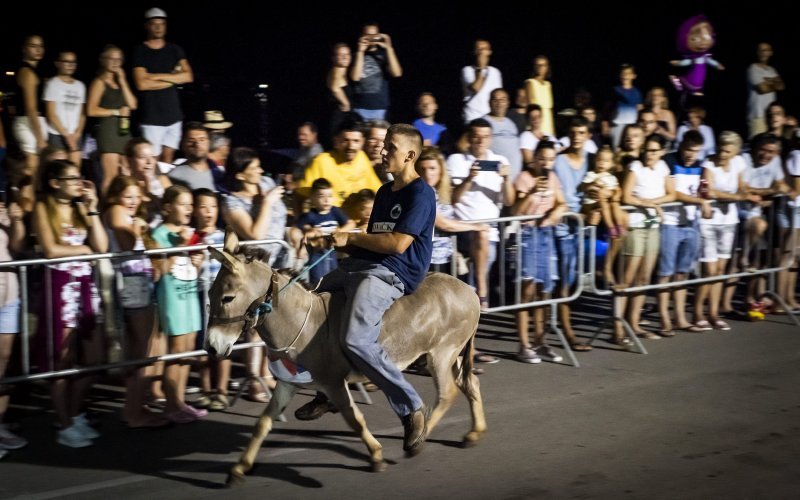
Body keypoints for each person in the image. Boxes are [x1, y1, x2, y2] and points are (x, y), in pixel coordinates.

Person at [295, 124, 432, 456]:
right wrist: (330, 242)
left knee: (356, 338)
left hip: (395, 273)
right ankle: (329, 390)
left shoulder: (421, 194)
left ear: (410, 155)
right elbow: (371, 243)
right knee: (312, 301)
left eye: (391, 147)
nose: (383, 151)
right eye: (384, 145)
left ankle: (411, 407)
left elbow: (397, 244)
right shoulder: (384, 192)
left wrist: (351, 237)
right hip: (369, 266)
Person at [33, 160, 108, 447]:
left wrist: (92, 206)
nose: (79, 182)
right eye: (72, 178)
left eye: (81, 177)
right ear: (55, 182)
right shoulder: (43, 208)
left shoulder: (80, 208)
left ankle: (74, 414)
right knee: (61, 360)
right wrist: (84, 249)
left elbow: (101, 246)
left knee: (94, 357)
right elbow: (51, 249)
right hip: (60, 286)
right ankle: (63, 422)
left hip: (85, 286)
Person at [103, 176, 168, 428]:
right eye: (127, 196)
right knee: (141, 352)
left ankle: (135, 407)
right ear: (116, 197)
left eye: (136, 196)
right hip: (131, 283)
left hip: (136, 282)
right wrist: (138, 227)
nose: (132, 202)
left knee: (140, 351)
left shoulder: (124, 213)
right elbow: (127, 242)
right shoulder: (117, 212)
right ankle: (133, 413)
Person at [147, 185, 207, 423]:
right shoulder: (158, 233)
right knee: (176, 351)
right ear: (168, 207)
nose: (189, 209)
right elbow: (159, 270)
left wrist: (197, 259)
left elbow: (193, 267)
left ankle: (179, 401)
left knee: (188, 351)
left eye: (191, 205)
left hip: (190, 293)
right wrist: (180, 247)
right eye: (184, 204)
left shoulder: (189, 232)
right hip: (172, 297)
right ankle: (171, 405)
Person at [513, 141, 566, 363]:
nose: (546, 163)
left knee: (545, 290)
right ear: (534, 158)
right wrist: (532, 192)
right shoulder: (523, 178)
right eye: (542, 158)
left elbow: (562, 203)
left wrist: (557, 212)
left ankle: (541, 341)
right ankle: (524, 344)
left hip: (547, 235)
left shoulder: (553, 178)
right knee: (527, 290)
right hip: (528, 235)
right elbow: (515, 211)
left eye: (551, 159)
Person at [132, 7, 194, 163]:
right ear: (147, 26)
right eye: (154, 23)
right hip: (151, 117)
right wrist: (173, 78)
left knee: (168, 159)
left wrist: (154, 77)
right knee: (152, 161)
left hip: (174, 115)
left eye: (162, 23)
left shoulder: (175, 50)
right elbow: (141, 84)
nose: (159, 27)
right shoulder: (140, 51)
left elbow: (188, 76)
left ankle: (165, 188)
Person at [86, 45, 138, 195]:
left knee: (127, 171)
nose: (116, 62)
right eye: (112, 58)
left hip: (124, 129)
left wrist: (123, 81)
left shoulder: (121, 82)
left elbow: (133, 104)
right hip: (108, 130)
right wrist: (115, 111)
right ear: (103, 60)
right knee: (110, 175)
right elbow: (91, 110)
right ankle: (106, 208)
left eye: (119, 59)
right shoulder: (99, 82)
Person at [0, 199, 27, 456]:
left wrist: (16, 220)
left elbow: (17, 247)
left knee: (4, 363)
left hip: (8, 294)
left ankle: (0, 424)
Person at [290, 178, 354, 284]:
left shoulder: (335, 211)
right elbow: (294, 231)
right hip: (317, 254)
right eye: (321, 196)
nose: (326, 200)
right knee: (318, 282)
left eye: (329, 196)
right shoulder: (310, 215)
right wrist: (301, 245)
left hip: (332, 252)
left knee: (334, 280)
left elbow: (351, 223)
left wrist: (340, 231)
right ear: (313, 198)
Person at [349, 23, 402, 121]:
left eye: (374, 36)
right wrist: (360, 51)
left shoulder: (384, 55)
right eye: (368, 35)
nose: (371, 39)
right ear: (362, 36)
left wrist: (389, 48)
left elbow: (397, 73)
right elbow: (355, 77)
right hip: (359, 108)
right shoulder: (355, 55)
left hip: (380, 108)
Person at [11, 35, 46, 177]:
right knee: (31, 168)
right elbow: (31, 108)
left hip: (33, 123)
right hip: (28, 123)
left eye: (41, 46)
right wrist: (40, 138)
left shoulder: (34, 71)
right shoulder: (27, 73)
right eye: (33, 46)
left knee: (35, 170)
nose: (38, 49)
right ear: (24, 49)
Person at [43, 50, 86, 166]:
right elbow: (51, 114)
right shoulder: (53, 84)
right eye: (66, 61)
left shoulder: (80, 86)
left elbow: (82, 114)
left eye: (73, 62)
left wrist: (77, 133)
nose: (71, 65)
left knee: (75, 169)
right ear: (58, 63)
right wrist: (66, 135)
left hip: (75, 134)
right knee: (59, 169)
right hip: (57, 134)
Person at [747, 43, 784, 138]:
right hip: (758, 116)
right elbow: (762, 89)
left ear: (771, 52)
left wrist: (767, 82)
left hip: (772, 117)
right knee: (757, 145)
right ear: (757, 53)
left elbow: (781, 86)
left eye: (766, 50)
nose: (764, 53)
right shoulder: (753, 68)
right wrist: (773, 82)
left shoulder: (772, 70)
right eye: (761, 50)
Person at [462, 39, 503, 123]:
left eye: (484, 49)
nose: (481, 52)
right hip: (473, 117)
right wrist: (480, 68)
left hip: (492, 117)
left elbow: (499, 95)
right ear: (474, 52)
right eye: (478, 49)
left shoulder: (495, 72)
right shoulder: (467, 70)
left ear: (489, 52)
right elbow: (476, 87)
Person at [524, 55, 555, 136]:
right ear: (534, 67)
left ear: (547, 67)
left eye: (543, 65)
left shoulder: (548, 84)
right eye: (538, 65)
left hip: (548, 122)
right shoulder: (530, 82)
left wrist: (553, 131)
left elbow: (550, 109)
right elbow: (530, 105)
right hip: (536, 121)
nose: (540, 67)